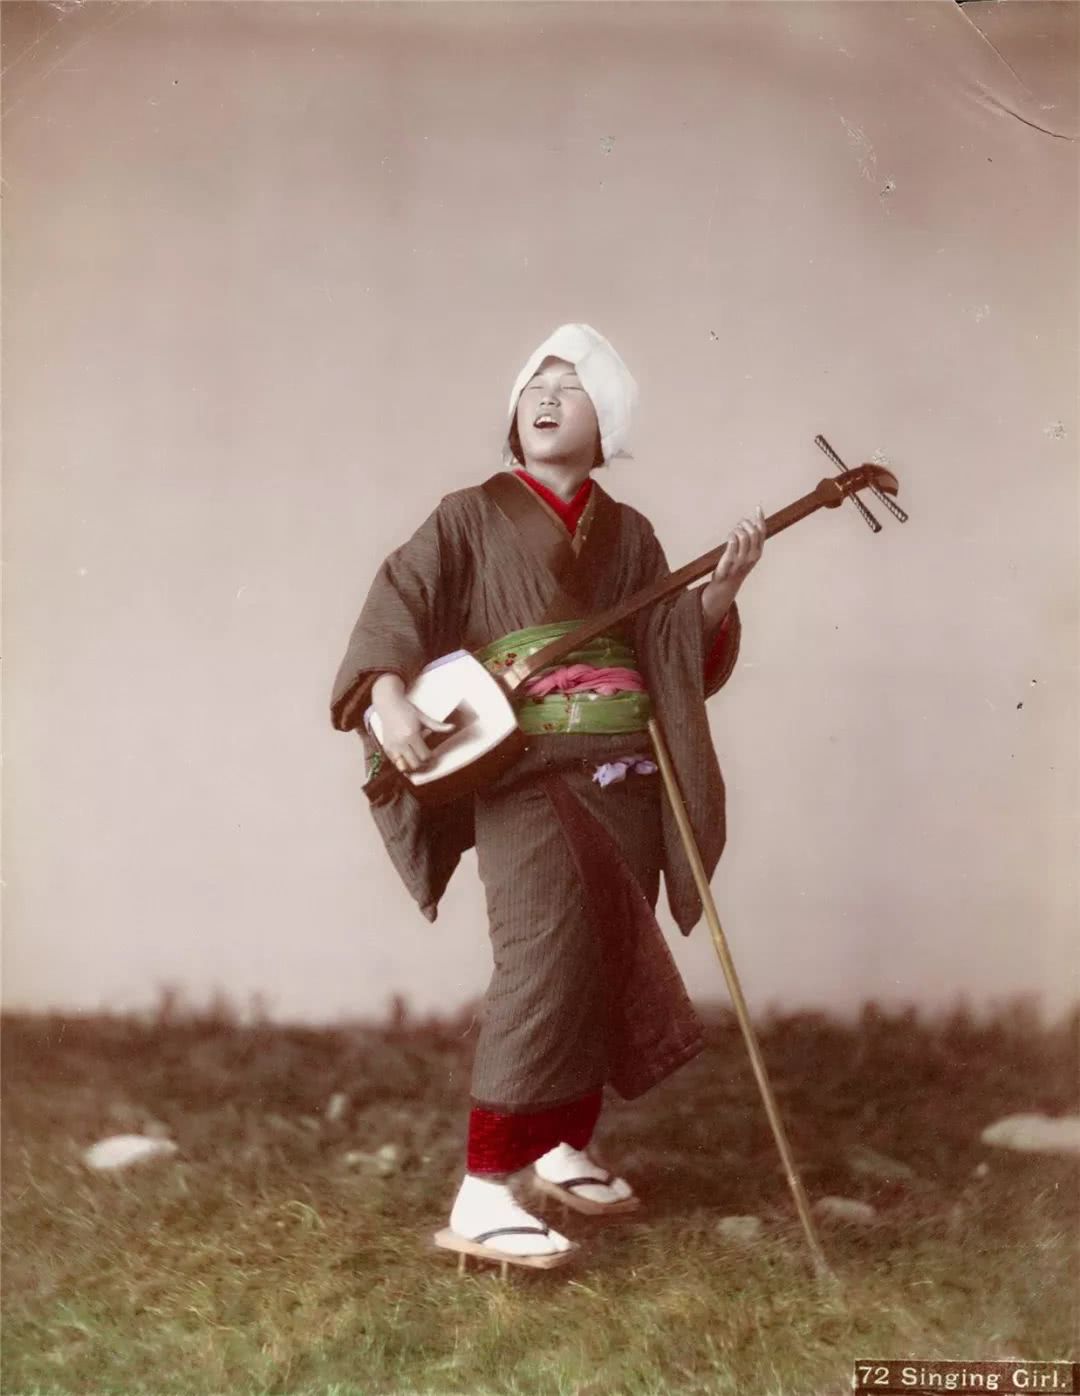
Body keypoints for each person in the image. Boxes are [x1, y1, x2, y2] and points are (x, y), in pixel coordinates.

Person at [330, 323, 766, 1265]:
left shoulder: (633, 535)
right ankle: (484, 1191)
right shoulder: (468, 517)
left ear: (605, 417)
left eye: (570, 386)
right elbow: (398, 599)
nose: (546, 397)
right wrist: (390, 693)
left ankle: (562, 1147)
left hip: (627, 783)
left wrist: (718, 599)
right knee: (541, 964)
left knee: (602, 962)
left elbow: (666, 653)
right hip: (524, 775)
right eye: (535, 383)